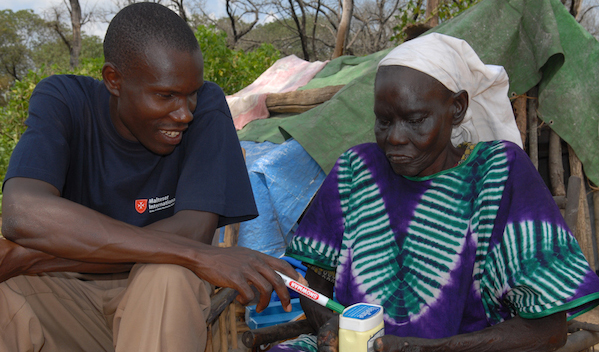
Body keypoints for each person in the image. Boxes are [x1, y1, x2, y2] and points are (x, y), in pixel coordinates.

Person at [0, 3, 302, 351]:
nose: (184, 112)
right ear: (114, 80)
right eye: (165, 95)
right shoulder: (64, 101)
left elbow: (192, 233)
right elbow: (23, 213)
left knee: (168, 273)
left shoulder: (208, 106)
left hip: (158, 303)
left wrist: (35, 255)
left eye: (191, 94)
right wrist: (196, 254)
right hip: (66, 295)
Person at [272, 33, 599, 352]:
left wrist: (429, 348)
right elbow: (315, 283)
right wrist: (329, 325)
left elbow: (549, 330)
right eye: (383, 121)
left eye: (415, 119)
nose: (395, 138)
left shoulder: (497, 174)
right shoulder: (357, 170)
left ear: (456, 108)